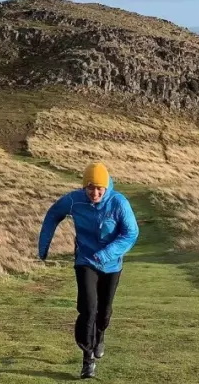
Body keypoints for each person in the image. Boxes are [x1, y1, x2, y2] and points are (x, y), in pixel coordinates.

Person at [38, 162, 140, 379]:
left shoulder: (118, 202)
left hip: (112, 264)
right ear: (84, 187)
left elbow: (130, 233)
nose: (94, 193)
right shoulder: (74, 200)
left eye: (99, 188)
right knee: (88, 309)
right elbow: (53, 215)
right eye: (90, 188)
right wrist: (43, 246)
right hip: (85, 260)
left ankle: (100, 335)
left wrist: (107, 254)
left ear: (106, 188)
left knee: (103, 312)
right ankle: (87, 359)